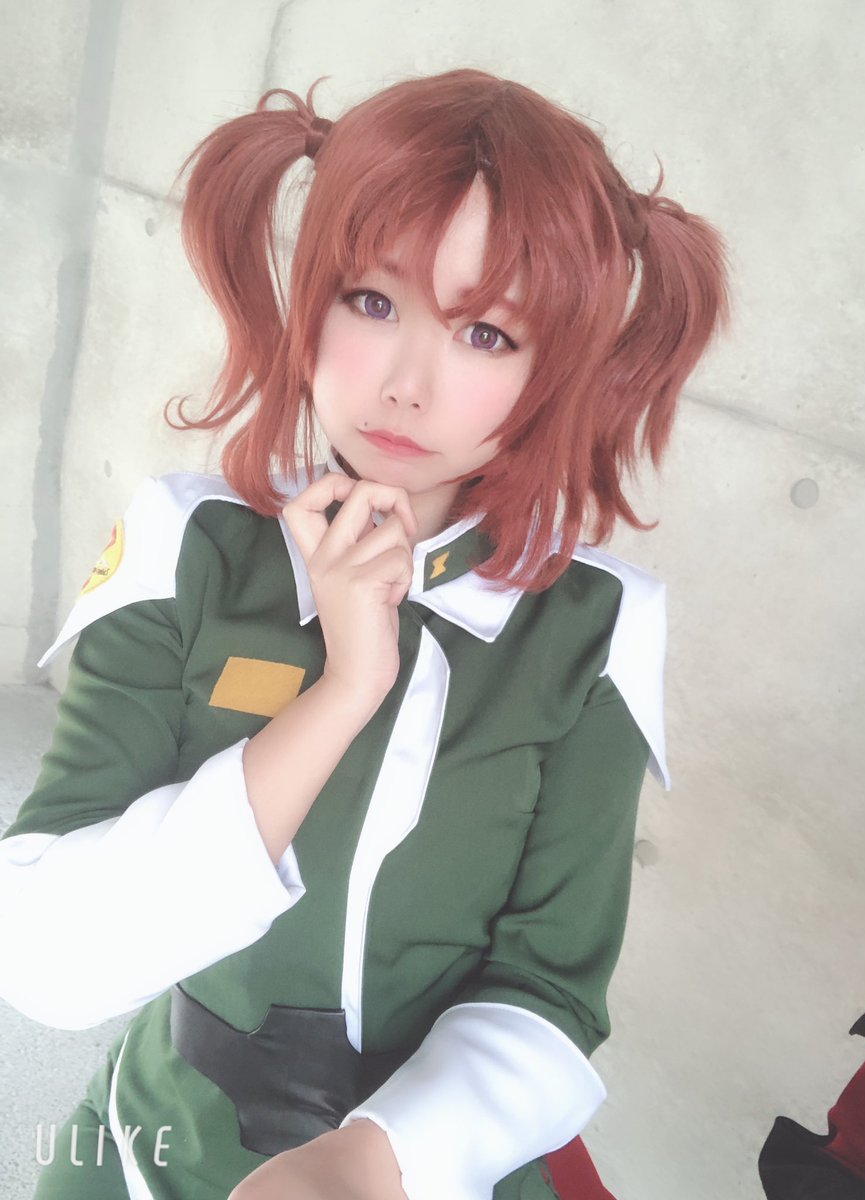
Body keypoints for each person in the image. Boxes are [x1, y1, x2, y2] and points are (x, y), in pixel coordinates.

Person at [0, 69, 727, 1200]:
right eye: (373, 302)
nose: (405, 385)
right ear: (310, 298)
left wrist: (376, 1163)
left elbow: (551, 991)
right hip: (151, 1147)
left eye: (485, 333)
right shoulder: (191, 548)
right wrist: (343, 689)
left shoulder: (594, 628)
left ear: (555, 367)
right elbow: (49, 957)